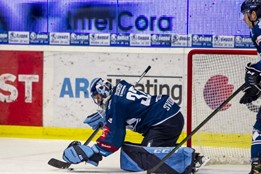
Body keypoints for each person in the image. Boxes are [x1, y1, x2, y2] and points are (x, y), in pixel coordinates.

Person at [62, 78, 205, 173]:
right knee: (149, 152)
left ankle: (191, 160)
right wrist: (107, 118)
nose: (98, 100)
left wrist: (94, 150)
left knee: (147, 160)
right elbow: (128, 107)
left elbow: (115, 138)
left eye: (98, 97)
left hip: (164, 123)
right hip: (169, 115)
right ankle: (187, 157)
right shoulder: (121, 86)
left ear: (103, 92)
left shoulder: (114, 106)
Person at [240, 0, 261, 173]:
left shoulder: (258, 29)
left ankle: (257, 168)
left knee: (259, 129)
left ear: (253, 14)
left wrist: (255, 71)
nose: (243, 19)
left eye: (245, 14)